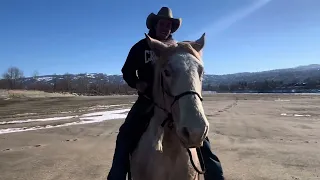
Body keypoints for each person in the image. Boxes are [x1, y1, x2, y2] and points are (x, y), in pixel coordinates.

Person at [107, 7, 225, 180]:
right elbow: (127, 71)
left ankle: (215, 176)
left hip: (175, 101)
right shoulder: (141, 47)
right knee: (125, 135)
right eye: (162, 24)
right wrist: (137, 83)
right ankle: (116, 177)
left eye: (169, 25)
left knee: (201, 138)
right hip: (148, 100)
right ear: (155, 25)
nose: (165, 28)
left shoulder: (176, 48)